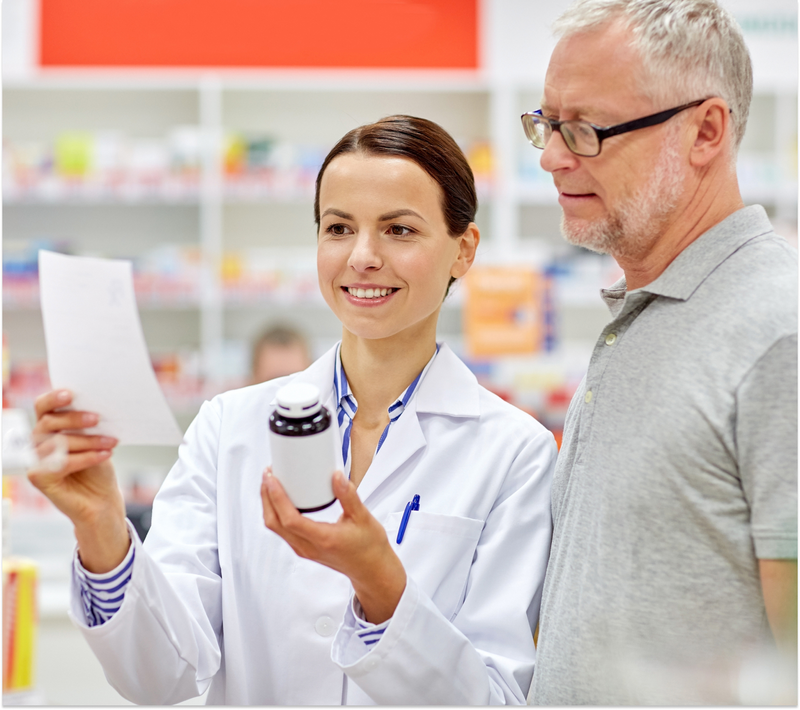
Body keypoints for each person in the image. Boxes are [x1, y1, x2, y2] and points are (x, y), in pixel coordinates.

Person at [29, 115, 557, 705]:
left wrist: (382, 585)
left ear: (464, 249)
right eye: (338, 228)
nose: (362, 256)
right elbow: (161, 676)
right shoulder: (229, 427)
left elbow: (496, 699)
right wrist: (100, 527)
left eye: (399, 230)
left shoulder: (516, 453)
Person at [520, 0, 797, 704]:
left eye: (584, 130)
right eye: (547, 125)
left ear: (706, 131)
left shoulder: (778, 335)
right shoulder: (640, 314)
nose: (553, 157)